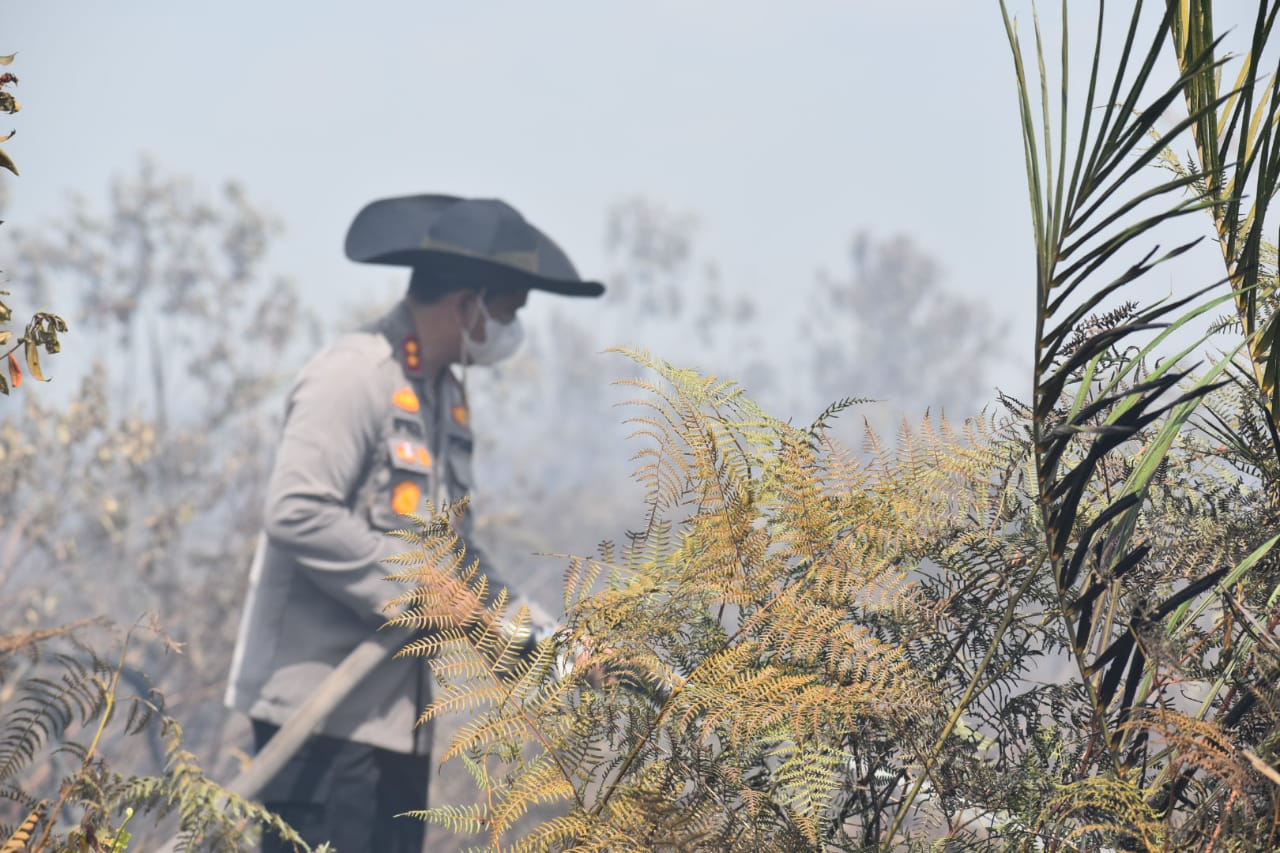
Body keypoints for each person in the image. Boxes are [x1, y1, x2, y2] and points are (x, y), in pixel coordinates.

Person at [224, 195, 604, 852]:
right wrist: (422, 587)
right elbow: (295, 508)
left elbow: (457, 564)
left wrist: (555, 649)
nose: (511, 330)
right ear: (467, 305)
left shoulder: (443, 395)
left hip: (398, 729)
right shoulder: (354, 375)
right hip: (319, 726)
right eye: (508, 311)